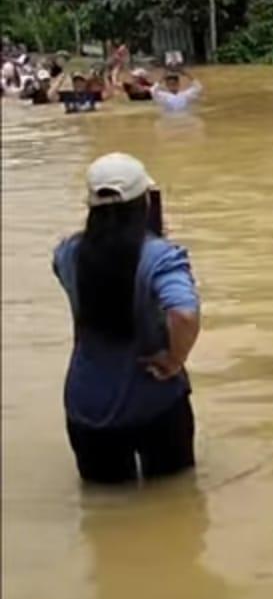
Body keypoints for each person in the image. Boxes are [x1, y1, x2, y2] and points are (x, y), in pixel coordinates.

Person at [52, 153, 201, 483]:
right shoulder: (161, 256)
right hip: (155, 400)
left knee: (103, 515)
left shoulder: (66, 254)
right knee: (176, 511)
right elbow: (184, 313)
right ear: (144, 202)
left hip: (87, 402)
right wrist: (175, 359)